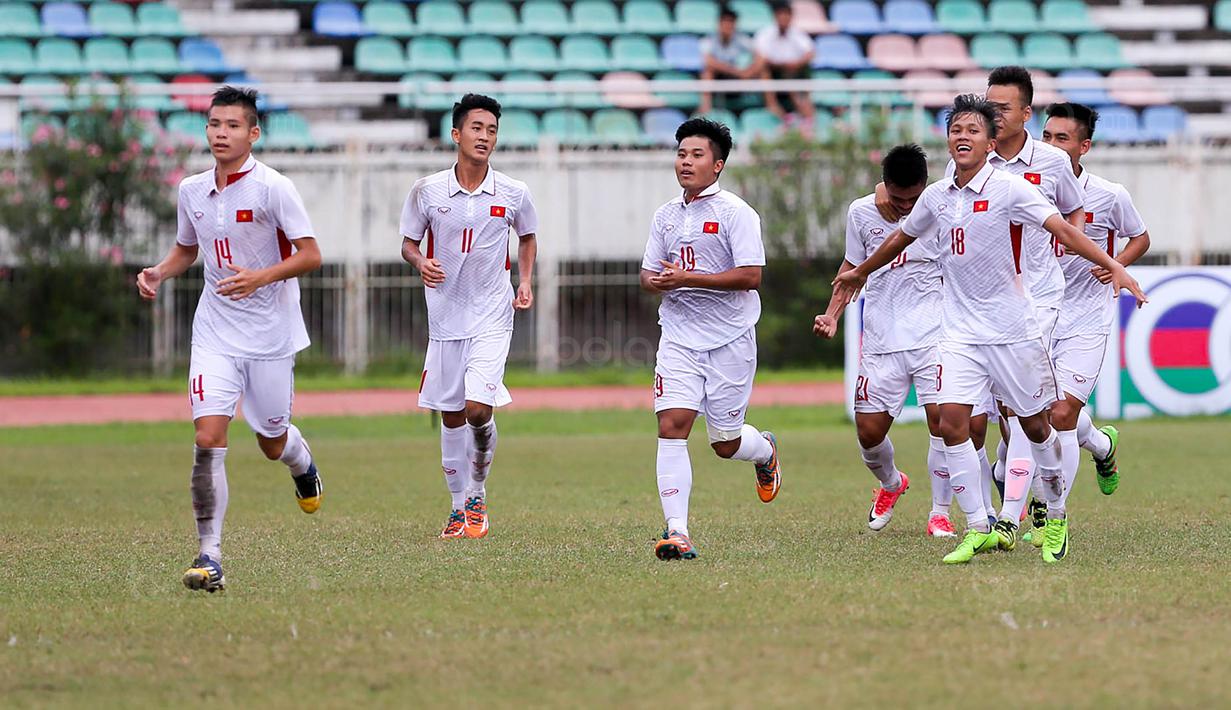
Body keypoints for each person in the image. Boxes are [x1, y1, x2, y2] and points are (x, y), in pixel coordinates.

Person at [834, 94, 1147, 565]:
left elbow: (1065, 230)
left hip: (1013, 329)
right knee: (952, 423)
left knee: (1036, 426)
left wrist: (1115, 265)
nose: (963, 136)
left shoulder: (1011, 190)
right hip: (959, 333)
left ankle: (1056, 513)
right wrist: (861, 271)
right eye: (956, 129)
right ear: (948, 140)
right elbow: (903, 235)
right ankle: (979, 526)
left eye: (973, 130)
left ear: (990, 143)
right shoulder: (937, 195)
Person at [136, 86, 324, 593]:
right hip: (214, 333)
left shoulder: (274, 188)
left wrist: (260, 277)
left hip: (270, 335)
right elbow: (187, 249)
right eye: (215, 124)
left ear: (253, 133)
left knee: (271, 441)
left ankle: (301, 460)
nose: (222, 133)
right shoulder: (192, 190)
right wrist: (159, 271)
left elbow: (311, 255)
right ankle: (210, 555)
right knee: (207, 438)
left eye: (233, 126)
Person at [641, 117, 782, 561]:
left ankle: (764, 451)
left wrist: (689, 278)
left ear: (717, 165)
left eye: (696, 155)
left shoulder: (736, 213)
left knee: (724, 443)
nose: (685, 161)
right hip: (678, 337)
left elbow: (751, 276)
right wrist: (657, 282)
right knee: (671, 425)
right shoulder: (665, 215)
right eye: (681, 153)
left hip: (730, 339)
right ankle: (677, 531)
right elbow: (647, 272)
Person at [399, 94, 538, 540]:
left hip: (493, 314)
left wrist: (524, 280)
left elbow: (528, 236)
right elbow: (408, 244)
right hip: (445, 317)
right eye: (477, 128)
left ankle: (477, 492)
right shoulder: (427, 190)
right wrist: (421, 262)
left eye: (492, 130)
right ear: (456, 134)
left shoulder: (513, 192)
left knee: (478, 409)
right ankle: (458, 508)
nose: (485, 136)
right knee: (451, 416)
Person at [814, 144, 957, 537]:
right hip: (881, 338)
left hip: (935, 335)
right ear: (884, 186)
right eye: (897, 199)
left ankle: (940, 512)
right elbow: (852, 266)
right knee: (869, 433)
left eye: (913, 199)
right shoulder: (861, 211)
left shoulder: (943, 209)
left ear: (926, 185)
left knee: (944, 423)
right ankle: (892, 483)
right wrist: (832, 314)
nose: (906, 207)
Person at [1039, 101, 1150, 509]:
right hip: (1034, 316)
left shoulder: (1108, 194)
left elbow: (1140, 237)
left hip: (1086, 316)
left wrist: (1116, 263)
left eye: (1062, 138)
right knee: (1033, 416)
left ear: (1083, 146)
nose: (1051, 145)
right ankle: (1102, 445)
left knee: (1062, 414)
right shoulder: (1024, 188)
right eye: (1046, 136)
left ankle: (1050, 515)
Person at [752, 0, 816, 124]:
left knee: (797, 71)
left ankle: (804, 111)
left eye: (787, 14)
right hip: (773, 71)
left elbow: (810, 53)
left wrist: (796, 63)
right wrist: (781, 65)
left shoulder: (798, 33)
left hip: (793, 72)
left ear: (791, 16)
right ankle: (772, 105)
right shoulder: (765, 34)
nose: (784, 18)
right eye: (781, 14)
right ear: (775, 16)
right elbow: (761, 58)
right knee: (764, 69)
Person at [698, 6, 758, 114]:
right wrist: (737, 72)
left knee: (763, 70)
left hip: (734, 77)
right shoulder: (709, 39)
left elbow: (760, 55)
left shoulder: (740, 38)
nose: (728, 25)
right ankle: (705, 107)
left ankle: (769, 105)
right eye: (726, 21)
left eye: (731, 22)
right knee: (708, 71)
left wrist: (749, 71)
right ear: (719, 23)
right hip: (719, 77)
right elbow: (708, 61)